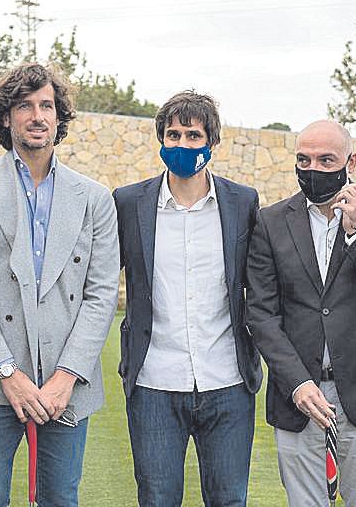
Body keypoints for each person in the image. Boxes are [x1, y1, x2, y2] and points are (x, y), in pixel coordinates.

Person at [0, 63, 119, 506]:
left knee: (61, 498)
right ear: (6, 117)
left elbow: (101, 296)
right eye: (24, 105)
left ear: (59, 117)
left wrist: (65, 377)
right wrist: (7, 373)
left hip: (67, 384)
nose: (37, 115)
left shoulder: (95, 198)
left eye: (47, 105)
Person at [246, 120, 356, 506]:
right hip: (299, 397)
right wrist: (296, 382)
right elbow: (260, 314)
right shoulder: (271, 222)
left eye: (327, 160)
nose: (314, 170)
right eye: (304, 160)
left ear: (351, 161)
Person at [113, 90, 261, 506]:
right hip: (154, 381)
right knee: (158, 498)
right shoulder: (129, 203)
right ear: (162, 140)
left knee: (230, 499)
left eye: (193, 135)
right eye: (173, 135)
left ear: (211, 143)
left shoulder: (242, 202)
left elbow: (259, 285)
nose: (182, 144)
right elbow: (101, 281)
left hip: (228, 381)